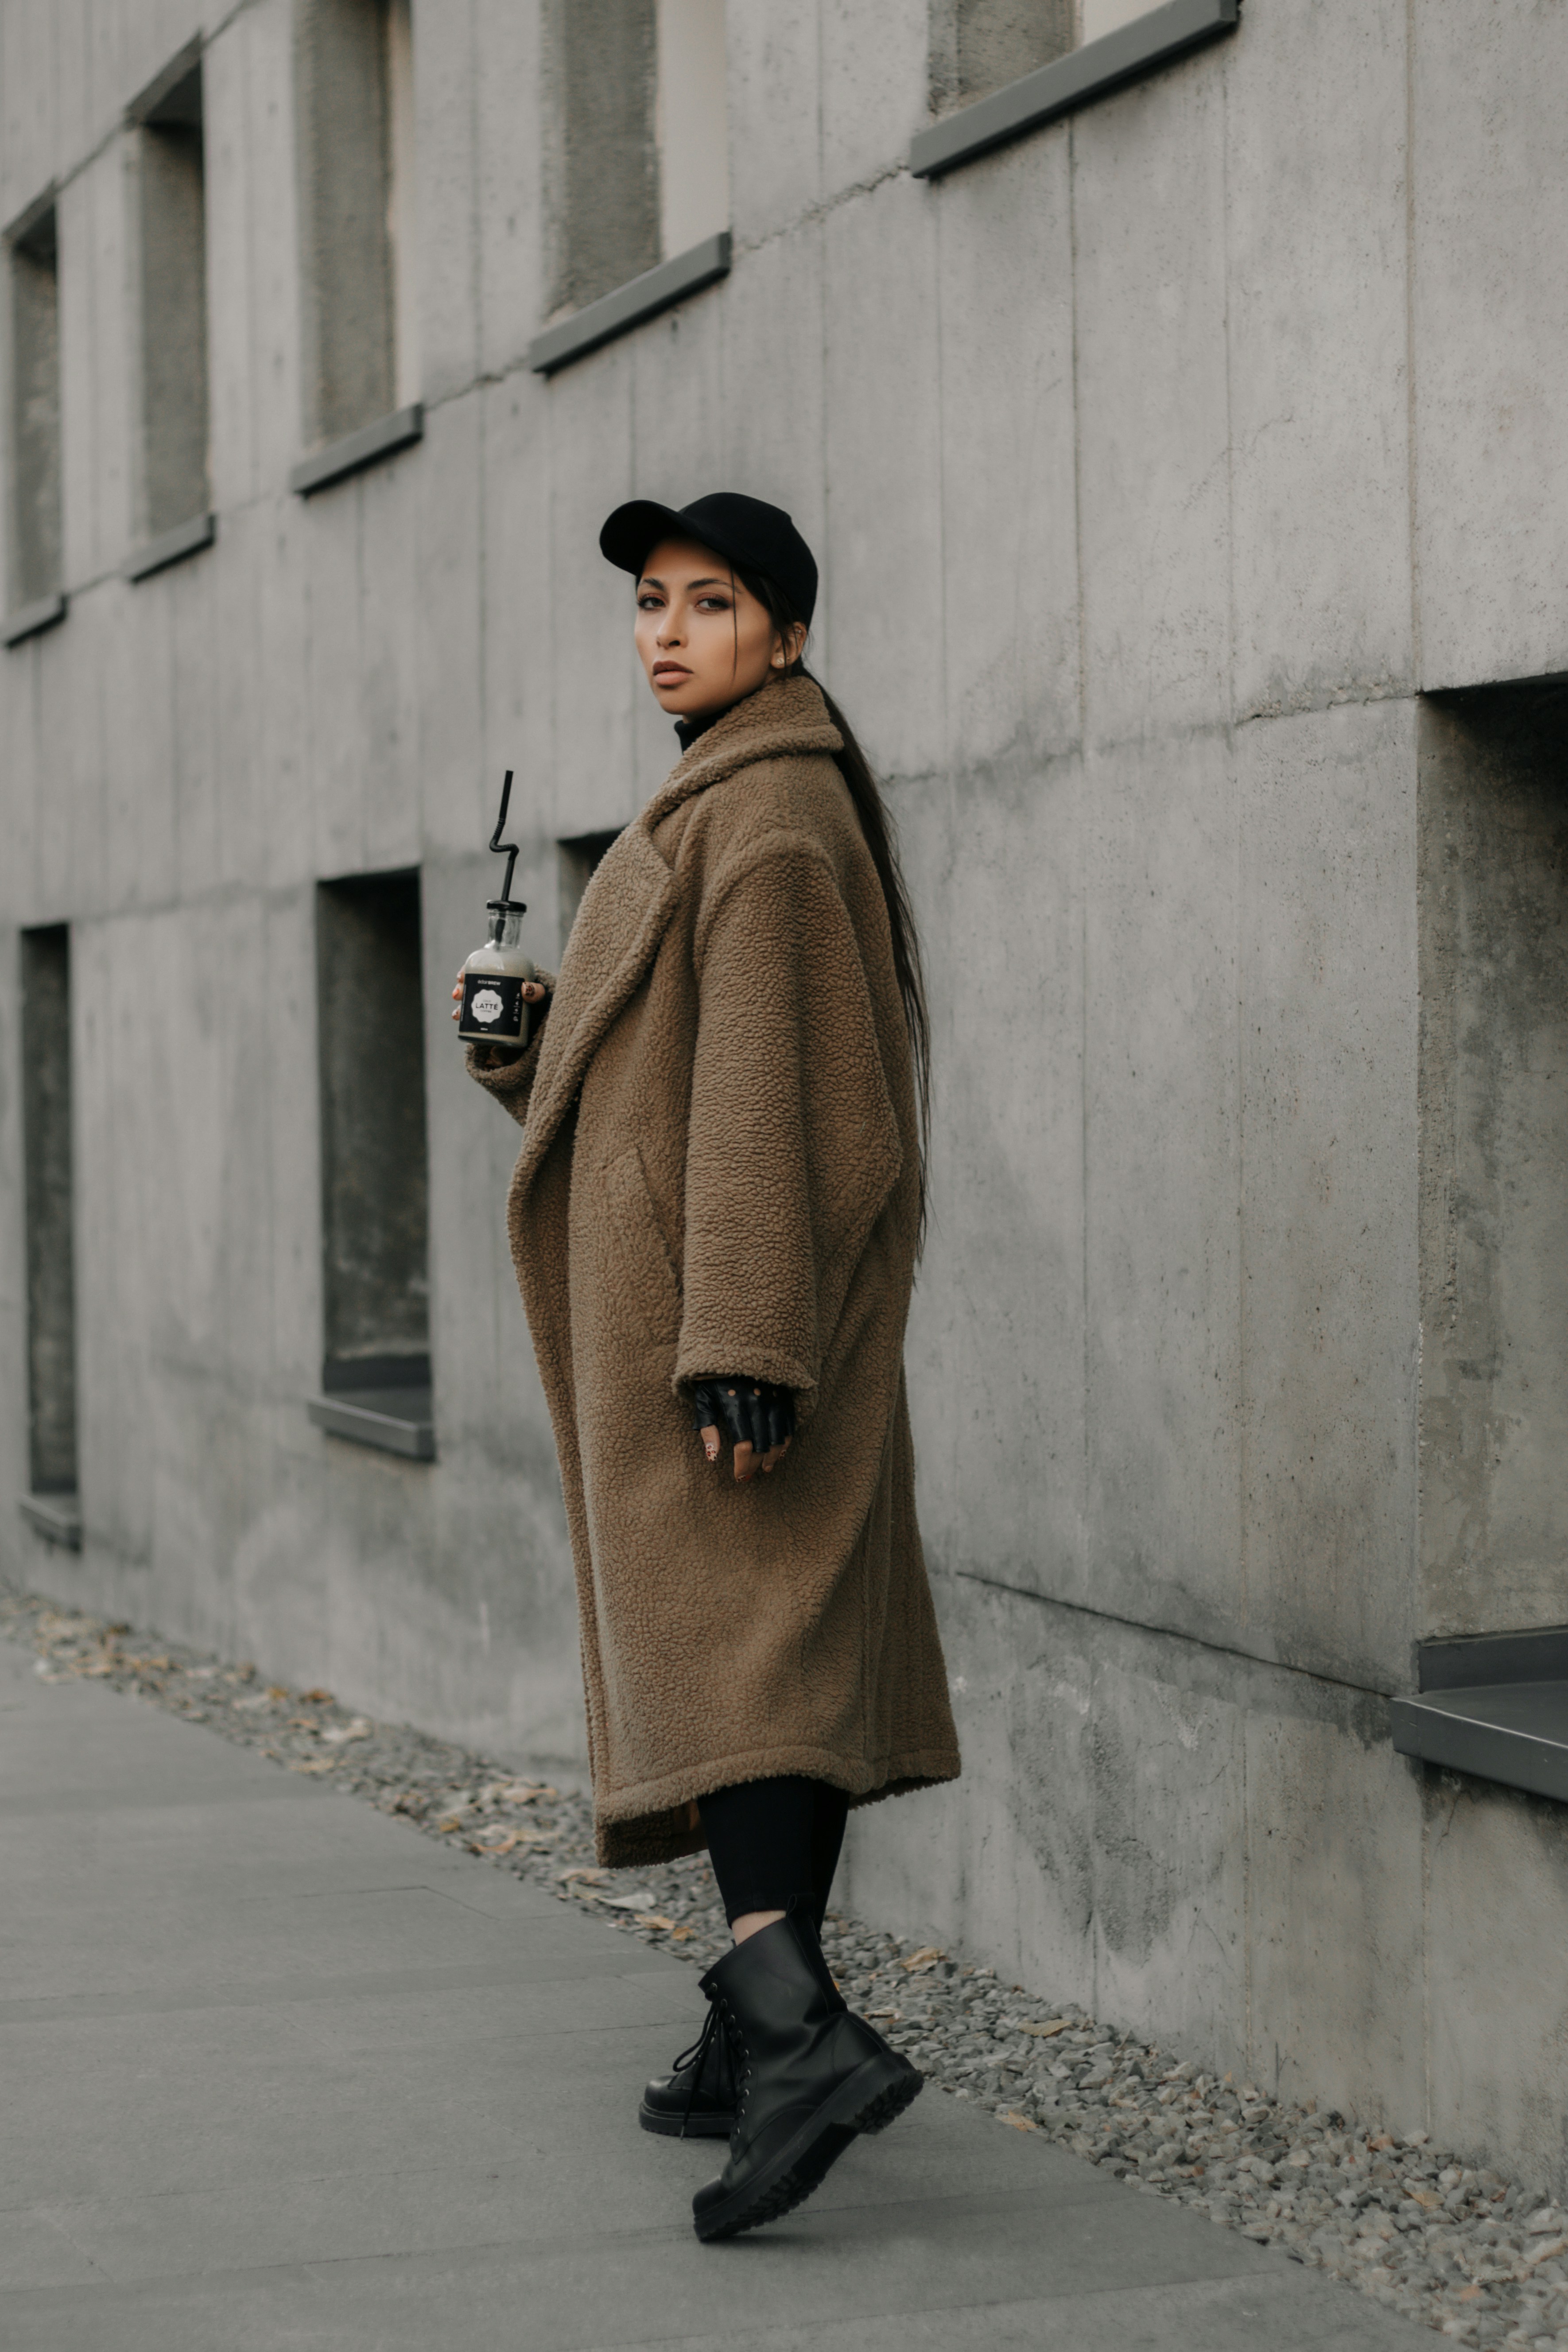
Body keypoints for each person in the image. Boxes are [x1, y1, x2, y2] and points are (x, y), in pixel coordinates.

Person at [456, 491, 960, 2241]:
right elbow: (664, 1093)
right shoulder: (734, 797)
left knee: (738, 1669)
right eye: (652, 603)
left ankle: (794, 2034)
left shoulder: (769, 823)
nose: (668, 630)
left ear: (790, 634)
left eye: (714, 602)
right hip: (707, 1315)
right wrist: (523, 1059)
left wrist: (742, 1342)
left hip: (723, 1338)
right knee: (777, 1664)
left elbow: (772, 1090)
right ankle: (743, 2044)